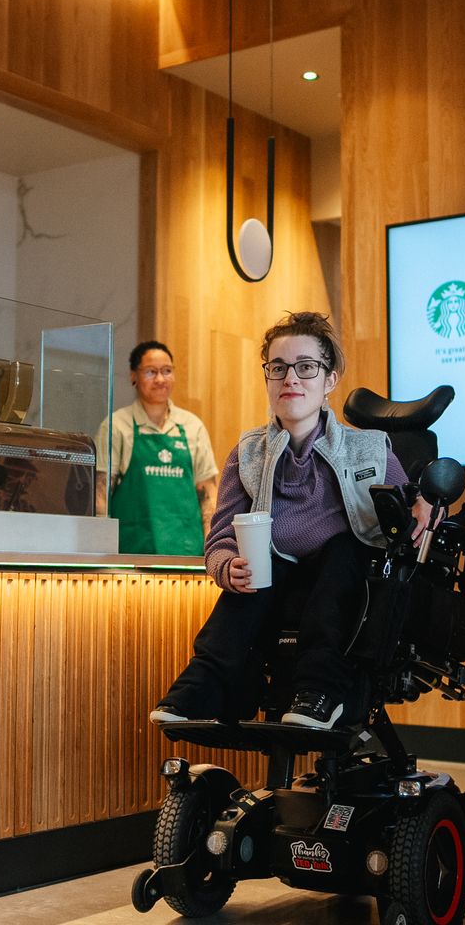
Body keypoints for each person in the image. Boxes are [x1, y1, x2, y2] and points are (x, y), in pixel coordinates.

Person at [149, 311, 410, 731]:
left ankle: (320, 692)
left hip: (344, 584)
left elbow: (412, 516)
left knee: (344, 549)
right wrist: (225, 566)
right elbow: (220, 537)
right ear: (268, 377)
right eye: (278, 368)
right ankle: (205, 685)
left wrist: (422, 511)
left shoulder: (370, 450)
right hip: (279, 581)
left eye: (306, 367)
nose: (291, 379)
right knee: (256, 564)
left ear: (330, 380)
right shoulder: (249, 452)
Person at [95, 341, 219, 555]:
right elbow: (101, 497)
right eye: (151, 372)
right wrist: (100, 553)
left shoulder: (193, 426)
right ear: (134, 376)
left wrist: (214, 552)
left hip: (188, 554)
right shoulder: (116, 426)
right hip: (131, 555)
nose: (160, 379)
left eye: (167, 371)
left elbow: (208, 497)